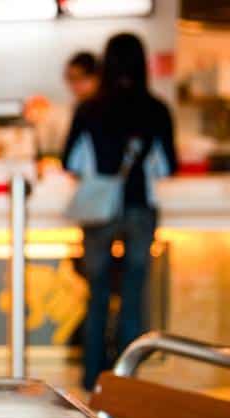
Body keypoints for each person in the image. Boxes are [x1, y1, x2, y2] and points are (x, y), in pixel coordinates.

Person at [64, 33, 177, 390]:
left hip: (100, 212)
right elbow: (167, 166)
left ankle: (92, 378)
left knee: (97, 293)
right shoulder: (157, 110)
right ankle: (128, 384)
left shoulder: (89, 109)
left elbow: (72, 161)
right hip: (140, 209)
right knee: (133, 294)